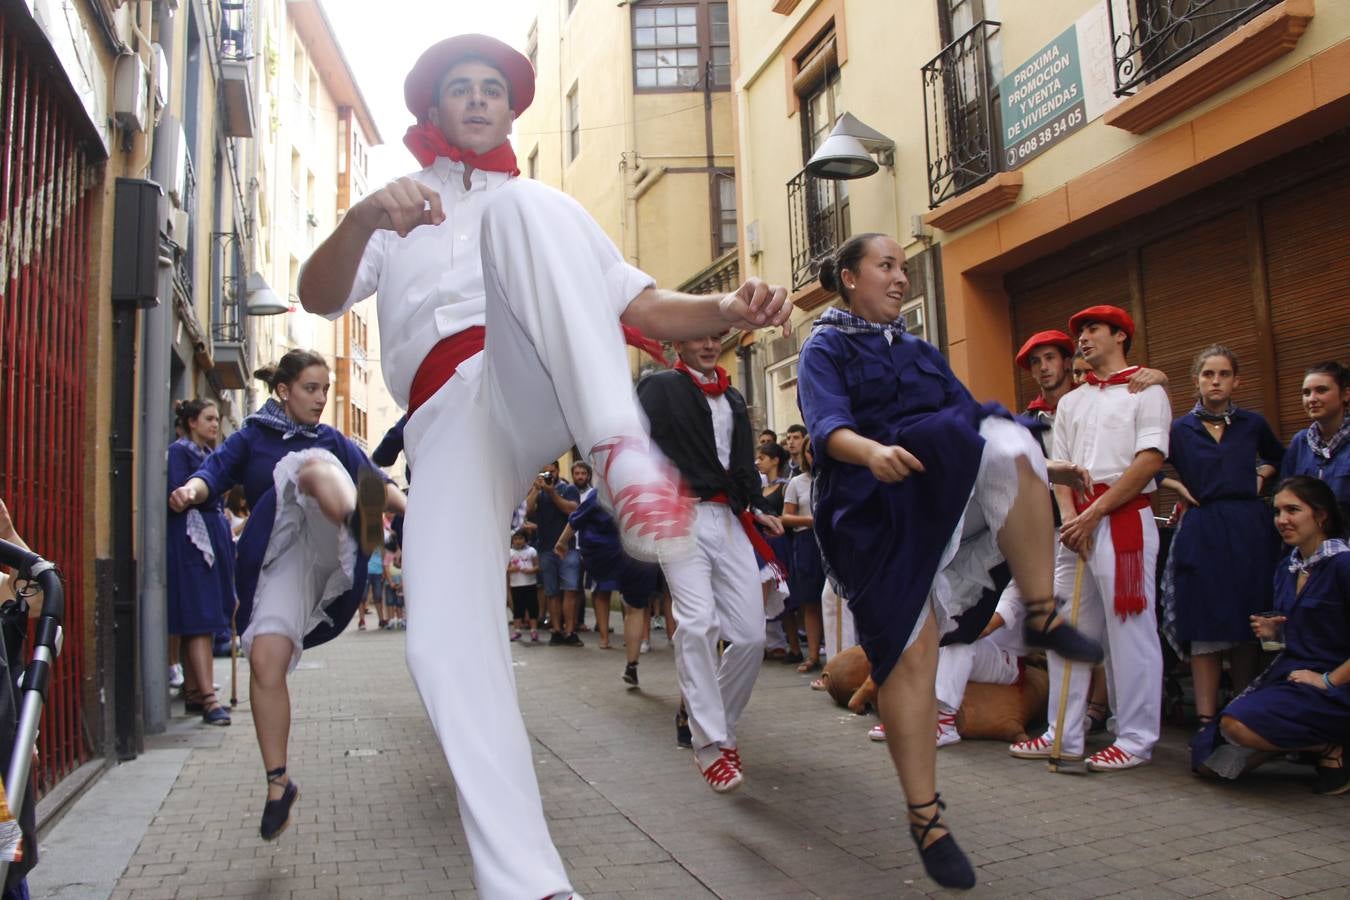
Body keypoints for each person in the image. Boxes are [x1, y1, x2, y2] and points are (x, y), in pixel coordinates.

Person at [295, 33, 790, 900]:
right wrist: (366, 214)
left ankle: (621, 455)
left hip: (526, 375)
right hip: (446, 422)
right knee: (443, 643)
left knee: (528, 209)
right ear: (435, 107)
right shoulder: (396, 208)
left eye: (493, 88)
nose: (479, 98)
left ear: (509, 110)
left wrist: (726, 305)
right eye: (462, 87)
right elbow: (317, 295)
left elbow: (641, 303)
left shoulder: (541, 209)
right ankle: (529, 885)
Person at [796, 233, 1102, 890]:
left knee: (1008, 435)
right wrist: (871, 451)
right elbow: (826, 428)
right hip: (870, 513)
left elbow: (975, 423)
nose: (901, 278)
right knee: (909, 659)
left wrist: (1042, 462)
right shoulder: (825, 346)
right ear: (849, 278)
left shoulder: (919, 352)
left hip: (934, 497)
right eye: (886, 266)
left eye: (905, 268)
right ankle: (926, 818)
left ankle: (1041, 612)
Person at [169, 350, 404, 841]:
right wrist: (191, 491)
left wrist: (414, 510)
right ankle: (278, 784)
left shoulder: (330, 439)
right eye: (310, 389)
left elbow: (377, 483)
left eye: (325, 390)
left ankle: (355, 521)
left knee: (311, 465)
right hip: (282, 560)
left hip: (329, 538)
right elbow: (212, 473)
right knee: (264, 657)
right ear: (283, 390)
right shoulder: (251, 437)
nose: (320, 399)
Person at [1011, 303, 1170, 773]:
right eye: (1079, 331)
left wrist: (1094, 513)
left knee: (1130, 633)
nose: (1082, 337)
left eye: (1093, 329)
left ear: (1120, 336)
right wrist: (1070, 519)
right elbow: (1060, 468)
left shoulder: (1147, 390)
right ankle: (1062, 731)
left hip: (1123, 521)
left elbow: (1150, 459)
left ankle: (1135, 738)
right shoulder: (1072, 402)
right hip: (1076, 528)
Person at [638, 333, 784, 793]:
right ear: (678, 342)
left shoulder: (733, 397)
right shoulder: (659, 387)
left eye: (715, 336)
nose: (708, 344)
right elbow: (631, 444)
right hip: (680, 519)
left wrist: (759, 505)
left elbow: (741, 465)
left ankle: (724, 729)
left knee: (751, 636)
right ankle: (708, 744)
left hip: (730, 520)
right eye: (698, 336)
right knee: (698, 623)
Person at [1194, 475, 1350, 794]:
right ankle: (1304, 743)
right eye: (1277, 511)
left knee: (1236, 724)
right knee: (1207, 761)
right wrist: (1273, 632)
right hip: (1292, 678)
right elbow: (1294, 638)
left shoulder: (1343, 565)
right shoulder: (1288, 567)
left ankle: (1331, 746)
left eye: (1293, 510)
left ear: (1321, 516)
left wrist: (1328, 680)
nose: (1282, 520)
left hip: (1336, 685)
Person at [1159, 345, 1283, 728]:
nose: (1216, 381)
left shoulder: (1253, 423)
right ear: (1196, 380)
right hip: (1202, 527)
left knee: (1246, 622)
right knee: (1204, 621)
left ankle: (1240, 714)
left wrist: (1261, 475)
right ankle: (1206, 719)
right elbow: (1146, 467)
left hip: (1250, 529)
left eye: (1224, 374)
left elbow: (1279, 457)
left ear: (1236, 381)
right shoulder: (1178, 429)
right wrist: (1177, 487)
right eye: (1208, 374)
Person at [166, 399, 235, 726]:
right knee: (199, 616)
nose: (214, 424)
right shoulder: (180, 452)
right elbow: (177, 496)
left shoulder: (210, 455)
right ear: (192, 422)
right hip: (192, 542)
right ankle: (208, 698)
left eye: (216, 419)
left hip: (212, 538)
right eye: (208, 418)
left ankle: (195, 691)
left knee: (206, 613)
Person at [557, 492, 663, 686]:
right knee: (635, 609)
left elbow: (577, 518)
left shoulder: (605, 488)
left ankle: (614, 647)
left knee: (609, 597)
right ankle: (632, 665)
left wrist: (562, 541)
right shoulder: (651, 487)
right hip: (641, 554)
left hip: (609, 553)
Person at [1281, 361, 1350, 521]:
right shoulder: (1300, 442)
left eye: (1321, 390)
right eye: (1306, 393)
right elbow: (1284, 495)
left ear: (1346, 394)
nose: (1311, 399)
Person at [528, 461, 582, 645]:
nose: (549, 475)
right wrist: (536, 490)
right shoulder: (539, 490)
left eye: (551, 471)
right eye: (545, 473)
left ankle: (570, 631)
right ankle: (556, 631)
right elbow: (527, 510)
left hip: (568, 549)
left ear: (558, 471)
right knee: (551, 592)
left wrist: (551, 492)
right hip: (545, 548)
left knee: (570, 590)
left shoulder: (568, 489)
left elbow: (572, 510)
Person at [783, 439, 824, 674]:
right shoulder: (797, 483)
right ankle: (814, 654)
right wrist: (812, 521)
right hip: (807, 541)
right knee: (810, 600)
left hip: (833, 539)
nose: (813, 455)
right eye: (810, 451)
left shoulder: (833, 478)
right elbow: (786, 517)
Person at [755, 441, 796, 658]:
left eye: (762, 458)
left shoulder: (785, 487)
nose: (758, 462)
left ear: (775, 460)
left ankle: (793, 647)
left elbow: (788, 516)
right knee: (761, 595)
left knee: (782, 595)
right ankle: (766, 642)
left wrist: (773, 522)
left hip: (779, 544)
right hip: (762, 544)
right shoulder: (761, 489)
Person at [508, 529, 540, 642]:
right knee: (518, 608)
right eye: (516, 539)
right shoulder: (509, 552)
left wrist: (531, 570)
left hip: (530, 584)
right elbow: (506, 568)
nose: (518, 541)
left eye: (521, 538)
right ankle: (517, 631)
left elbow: (537, 566)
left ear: (526, 540)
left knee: (532, 607)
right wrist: (512, 569)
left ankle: (533, 630)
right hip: (516, 585)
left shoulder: (532, 551)